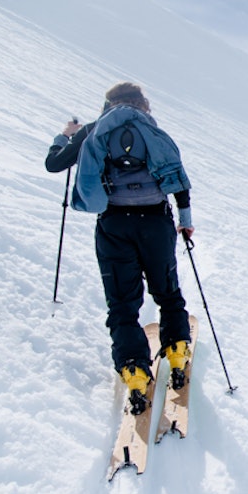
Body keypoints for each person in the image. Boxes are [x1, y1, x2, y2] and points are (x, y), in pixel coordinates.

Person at [45, 82, 194, 415]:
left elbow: (54, 164)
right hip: (156, 222)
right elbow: (178, 179)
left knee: (122, 303)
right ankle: (177, 352)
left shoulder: (92, 132)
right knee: (167, 291)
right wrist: (185, 220)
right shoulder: (151, 130)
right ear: (142, 102)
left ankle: (136, 373)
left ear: (107, 104)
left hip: (113, 225)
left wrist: (66, 136)